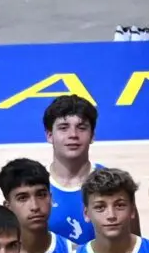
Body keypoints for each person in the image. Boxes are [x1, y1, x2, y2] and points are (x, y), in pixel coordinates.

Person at [38, 97, 104, 244]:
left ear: (92, 135)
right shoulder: (33, 186)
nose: (73, 135)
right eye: (63, 128)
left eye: (81, 128)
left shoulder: (113, 184)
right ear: (49, 135)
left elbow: (131, 245)